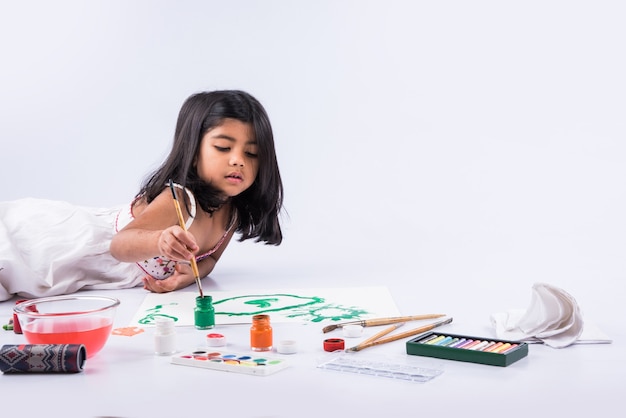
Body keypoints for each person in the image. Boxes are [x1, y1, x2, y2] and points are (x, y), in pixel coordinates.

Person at [0, 90, 284, 301]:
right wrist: (159, 241)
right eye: (223, 147)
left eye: (252, 153)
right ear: (193, 154)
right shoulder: (181, 201)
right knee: (16, 258)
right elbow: (120, 245)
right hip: (69, 245)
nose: (239, 161)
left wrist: (187, 276)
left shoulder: (231, 212)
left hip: (100, 276)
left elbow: (209, 260)